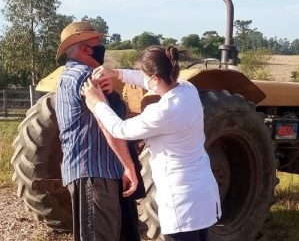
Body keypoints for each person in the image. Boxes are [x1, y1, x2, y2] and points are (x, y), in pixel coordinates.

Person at [81, 45, 222, 241]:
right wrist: (117, 73)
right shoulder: (188, 90)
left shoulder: (163, 112)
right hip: (202, 194)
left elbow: (120, 129)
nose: (144, 79)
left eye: (146, 76)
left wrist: (97, 103)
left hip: (181, 201)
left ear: (155, 78)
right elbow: (147, 81)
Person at [55, 21, 143, 241]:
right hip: (96, 173)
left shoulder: (68, 76)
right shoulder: (87, 77)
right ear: (85, 49)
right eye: (98, 43)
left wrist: (112, 95)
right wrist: (128, 166)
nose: (101, 47)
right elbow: (107, 124)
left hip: (89, 172)